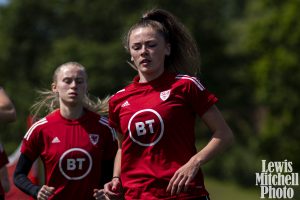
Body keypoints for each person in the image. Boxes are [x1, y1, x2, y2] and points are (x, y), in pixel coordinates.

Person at [104, 8, 234, 200]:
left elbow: (224, 134)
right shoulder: (117, 100)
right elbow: (123, 148)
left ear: (167, 48)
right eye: (137, 47)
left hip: (184, 195)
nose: (144, 52)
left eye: (151, 45)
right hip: (137, 196)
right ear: (130, 54)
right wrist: (116, 178)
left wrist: (194, 162)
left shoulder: (185, 85)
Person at [13, 62, 117, 200]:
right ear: (55, 87)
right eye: (67, 81)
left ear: (86, 87)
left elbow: (114, 172)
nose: (74, 85)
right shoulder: (40, 129)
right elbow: (19, 175)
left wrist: (106, 190)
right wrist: (35, 190)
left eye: (79, 81)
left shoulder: (104, 128)